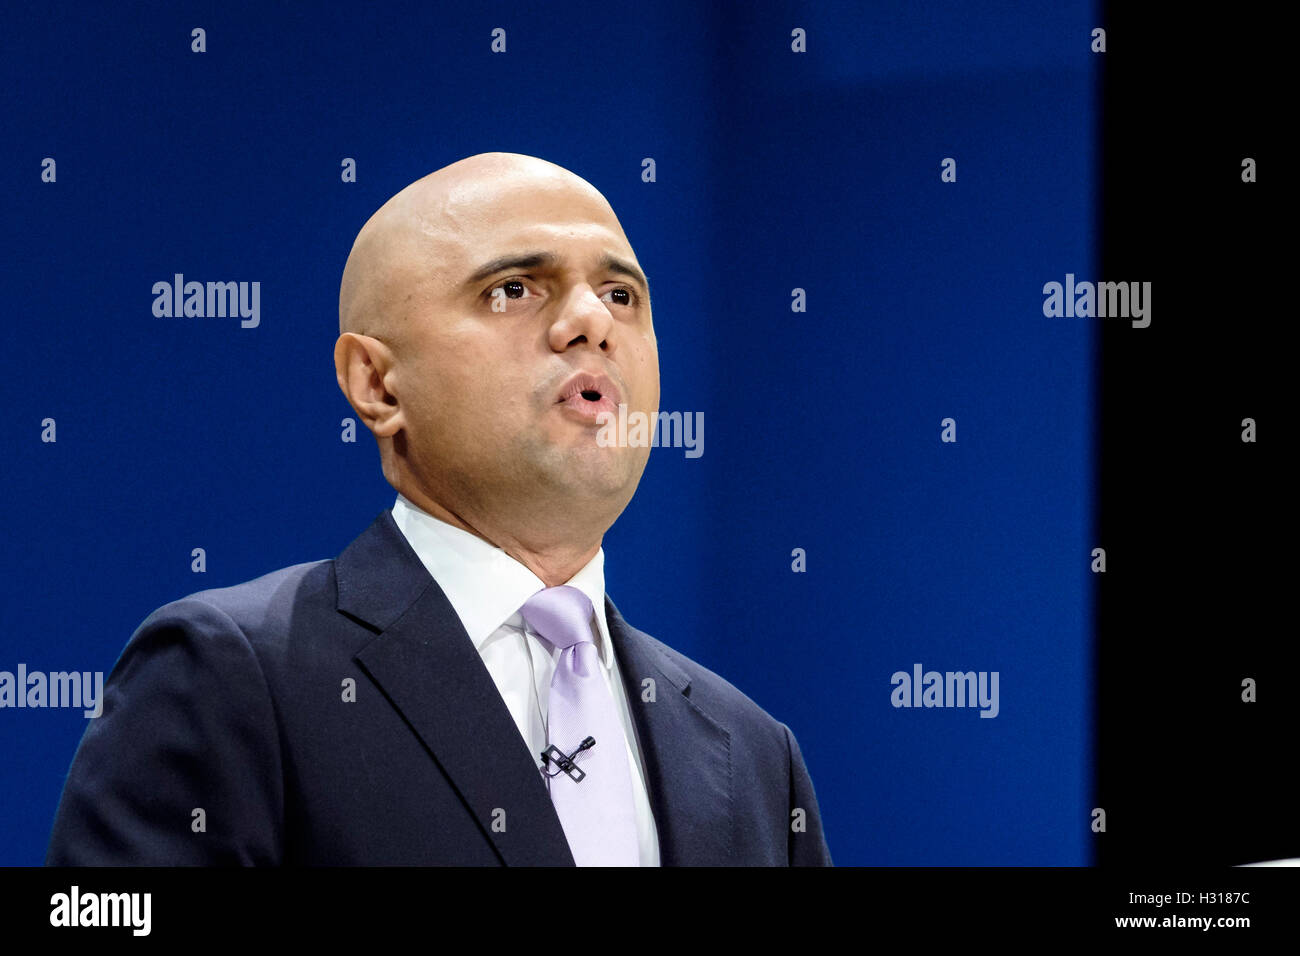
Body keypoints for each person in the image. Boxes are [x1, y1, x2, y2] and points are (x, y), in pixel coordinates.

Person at [45, 152, 832, 866]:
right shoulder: (228, 676)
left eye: (621, 294)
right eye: (514, 289)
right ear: (377, 386)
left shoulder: (753, 755)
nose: (592, 321)